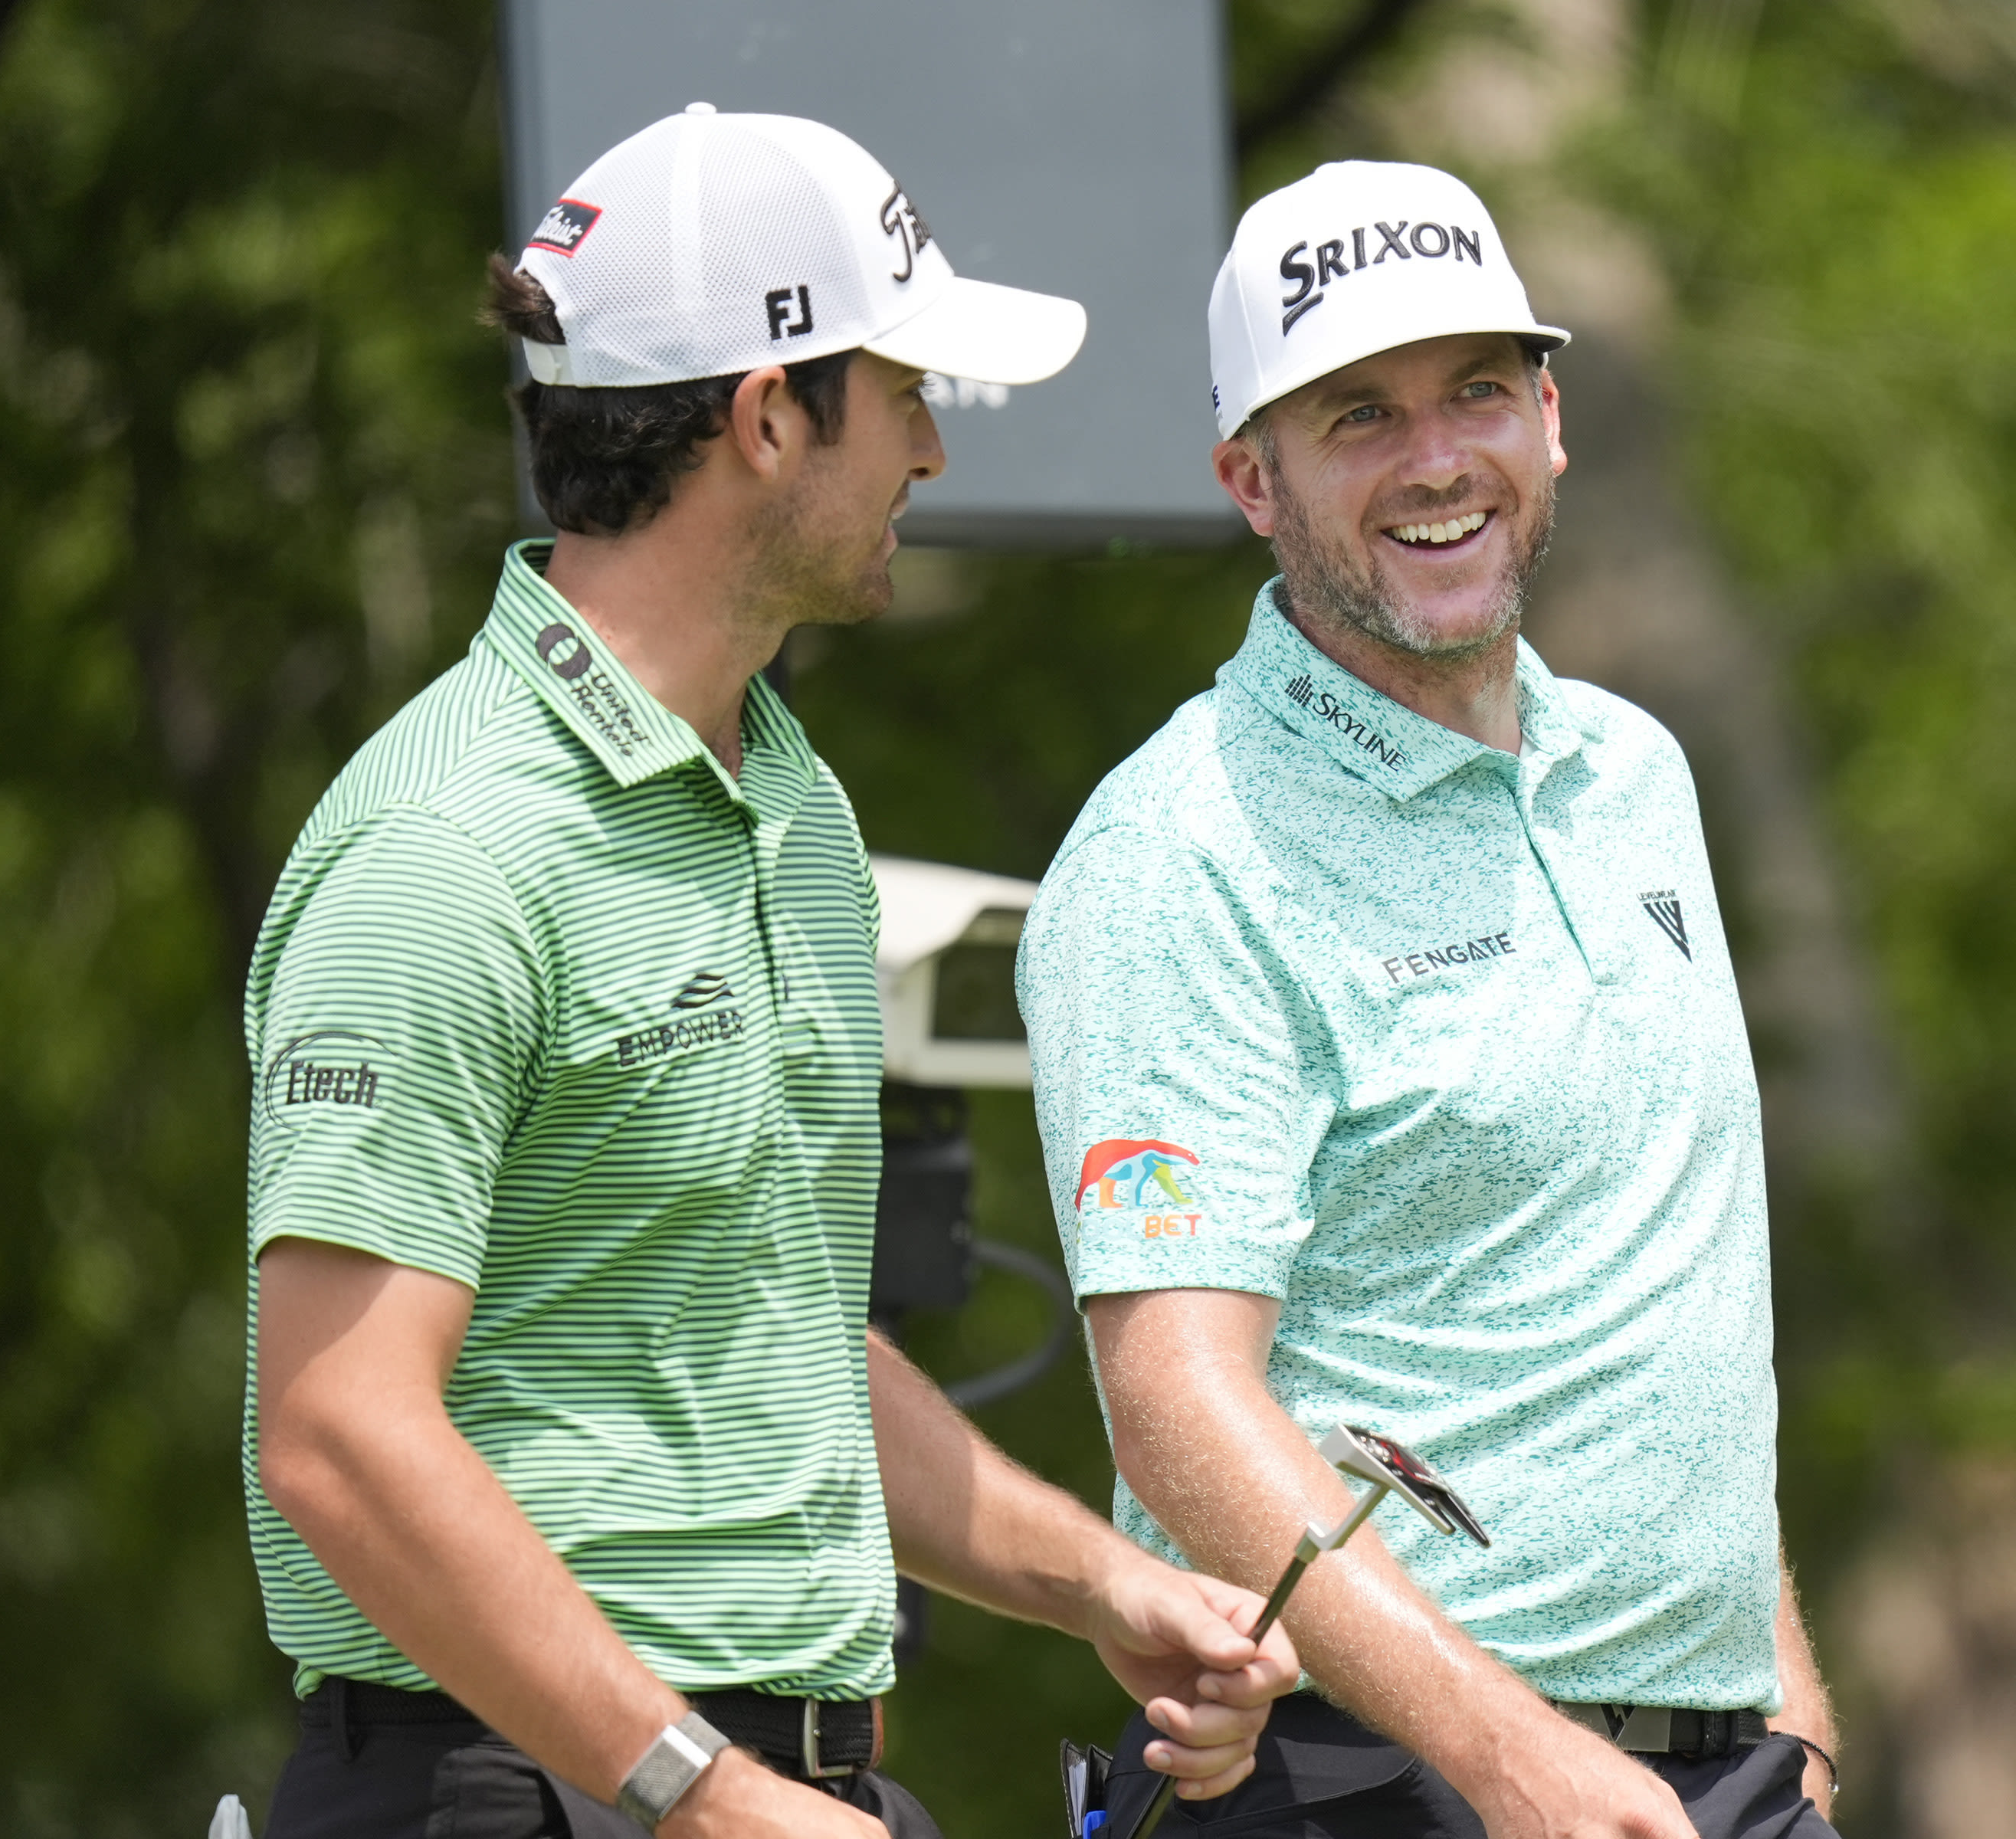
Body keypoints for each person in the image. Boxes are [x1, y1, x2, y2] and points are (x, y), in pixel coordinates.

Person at [242, 106, 1296, 1839]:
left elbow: (787, 1343)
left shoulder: (790, 806)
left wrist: (1107, 1588)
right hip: (518, 1793)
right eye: (907, 398)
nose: (935, 457)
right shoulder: (444, 846)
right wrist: (700, 1797)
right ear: (764, 418)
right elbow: (339, 1433)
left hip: (758, 1785)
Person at [1016, 161, 1844, 1839]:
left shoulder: (1633, 771)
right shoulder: (1183, 849)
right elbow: (1177, 1397)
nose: (1437, 458)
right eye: (1359, 417)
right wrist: (1512, 1755)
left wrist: (1789, 1702)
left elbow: (1655, 1275)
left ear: (1551, 418)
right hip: (1372, 1783)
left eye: (1476, 390)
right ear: (1253, 481)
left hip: (1717, 1775)